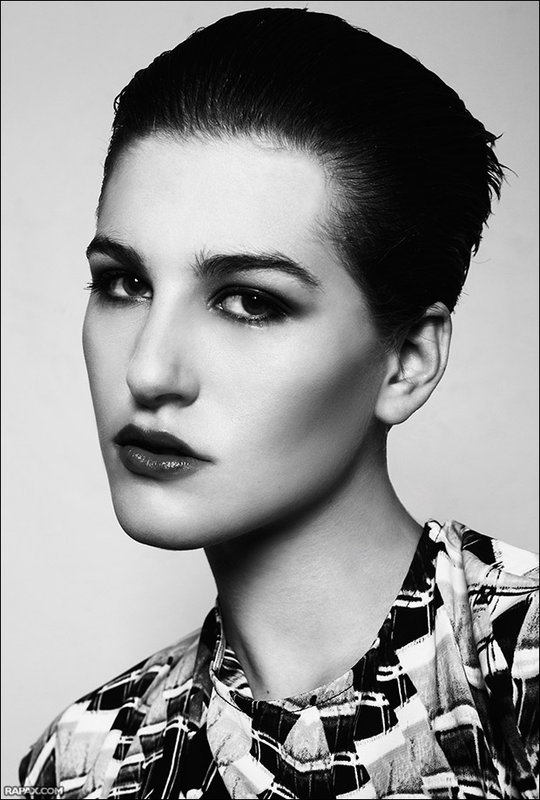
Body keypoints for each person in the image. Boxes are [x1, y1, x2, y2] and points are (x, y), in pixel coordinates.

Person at [19, 7, 538, 799]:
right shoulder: (84, 765)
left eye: (250, 301)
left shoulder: (518, 666)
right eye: (123, 283)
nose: (149, 370)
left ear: (407, 361)